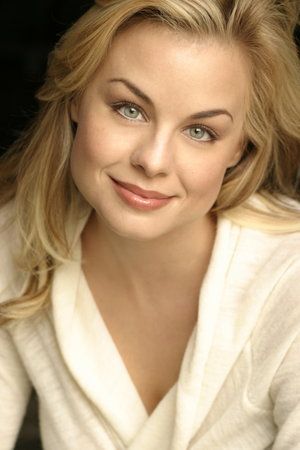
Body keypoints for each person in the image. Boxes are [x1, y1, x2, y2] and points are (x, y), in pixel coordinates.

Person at [0, 0, 299, 448]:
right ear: (77, 96)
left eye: (201, 131)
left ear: (239, 148)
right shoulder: (15, 244)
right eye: (129, 109)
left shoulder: (289, 283)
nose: (153, 161)